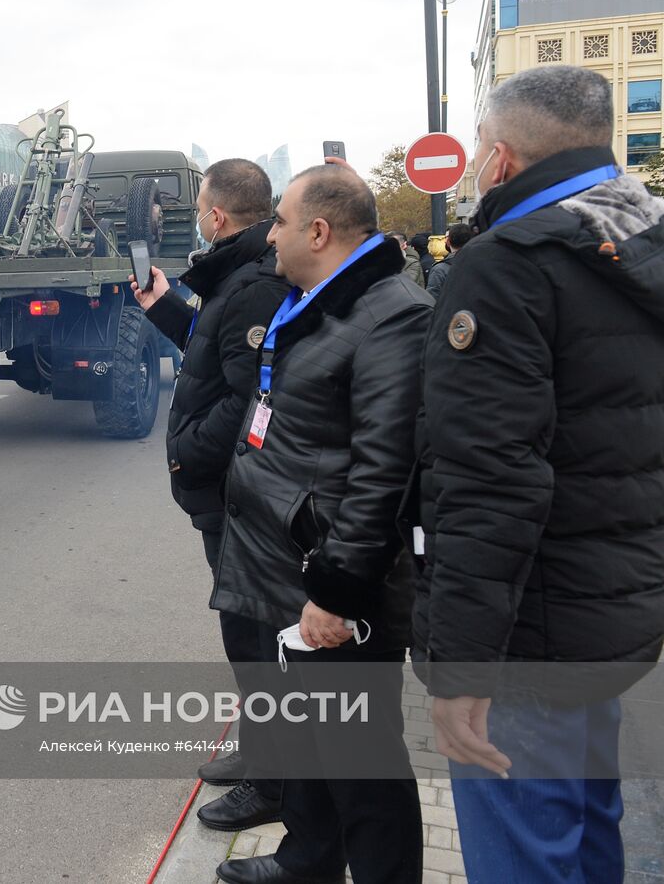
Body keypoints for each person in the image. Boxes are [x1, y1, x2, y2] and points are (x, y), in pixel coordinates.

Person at [415, 64, 664, 884]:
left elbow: (488, 482)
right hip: (610, 614)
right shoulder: (641, 241)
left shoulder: (511, 264)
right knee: (588, 828)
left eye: (483, 145)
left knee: (525, 847)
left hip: (530, 631)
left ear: (502, 157)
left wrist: (461, 669)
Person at [211, 165, 430, 884]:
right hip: (288, 563)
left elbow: (383, 471)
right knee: (308, 739)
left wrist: (337, 592)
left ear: (318, 231)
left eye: (278, 221)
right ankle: (305, 861)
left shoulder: (392, 314)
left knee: (361, 760)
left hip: (333, 579)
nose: (267, 234)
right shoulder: (320, 304)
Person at [131, 158, 290, 831]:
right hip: (227, 490)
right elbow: (212, 350)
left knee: (255, 637)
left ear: (218, 214)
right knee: (241, 631)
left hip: (238, 490)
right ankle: (259, 753)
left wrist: (190, 451)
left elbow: (247, 392)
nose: (197, 213)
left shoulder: (252, 284)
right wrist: (164, 306)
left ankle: (275, 783)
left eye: (200, 204)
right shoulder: (237, 276)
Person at [423, 222, 472, 300]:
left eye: (446, 237)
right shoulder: (483, 263)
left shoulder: (440, 270)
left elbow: (432, 300)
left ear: (449, 242)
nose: (445, 241)